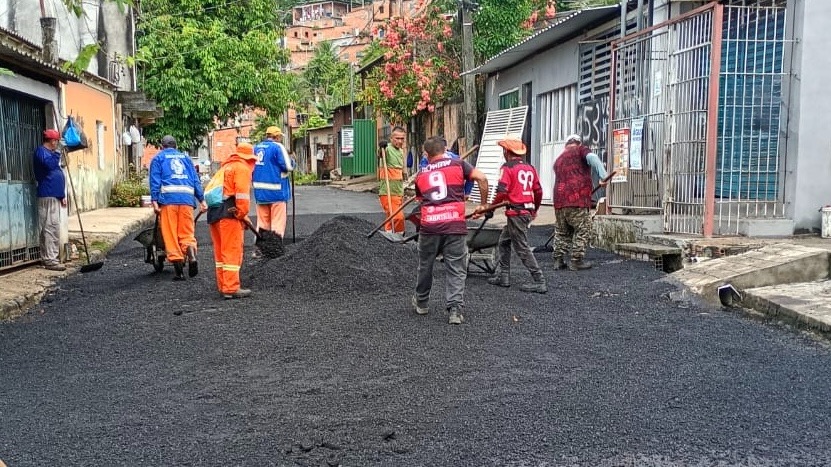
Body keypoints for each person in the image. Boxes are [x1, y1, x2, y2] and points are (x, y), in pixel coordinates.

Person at [412, 136, 490, 325]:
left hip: (429, 227)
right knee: (456, 267)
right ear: (445, 150)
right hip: (454, 224)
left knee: (425, 265)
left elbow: (420, 201)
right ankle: (455, 310)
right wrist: (484, 205)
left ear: (426, 155)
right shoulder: (458, 164)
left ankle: (421, 303)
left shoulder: (420, 175)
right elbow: (482, 178)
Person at [487, 138, 546, 293]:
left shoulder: (507, 167)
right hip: (524, 212)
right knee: (504, 241)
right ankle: (504, 276)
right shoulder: (530, 168)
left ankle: (539, 280)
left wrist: (490, 207)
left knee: (522, 247)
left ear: (506, 152)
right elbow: (538, 191)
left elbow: (502, 191)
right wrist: (535, 209)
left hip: (516, 213)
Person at [149, 135, 207, 281]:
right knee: (187, 233)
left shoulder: (158, 158)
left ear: (162, 146)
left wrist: (154, 201)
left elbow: (155, 181)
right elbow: (195, 180)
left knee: (171, 235)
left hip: (168, 200)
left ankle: (179, 272)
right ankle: (192, 256)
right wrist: (202, 200)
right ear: (176, 146)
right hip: (187, 200)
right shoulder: (186, 159)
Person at [207, 143, 258, 299]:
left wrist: (243, 217)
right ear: (249, 158)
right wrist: (242, 214)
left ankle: (223, 285)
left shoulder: (225, 168)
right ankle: (231, 288)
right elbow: (241, 196)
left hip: (215, 213)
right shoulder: (241, 168)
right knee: (232, 251)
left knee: (221, 251)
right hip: (229, 214)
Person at [552, 134, 608, 271]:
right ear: (579, 142)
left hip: (559, 200)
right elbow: (593, 158)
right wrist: (603, 176)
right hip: (577, 199)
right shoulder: (581, 150)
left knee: (562, 231)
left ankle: (558, 260)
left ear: (566, 145)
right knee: (583, 229)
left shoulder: (559, 159)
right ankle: (576, 260)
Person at [33, 129, 66, 271]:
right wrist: (58, 152)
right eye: (57, 141)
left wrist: (61, 195)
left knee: (51, 227)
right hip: (47, 194)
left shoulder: (50, 153)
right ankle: (50, 260)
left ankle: (49, 258)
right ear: (52, 141)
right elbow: (50, 166)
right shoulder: (41, 152)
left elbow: (55, 172)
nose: (57, 144)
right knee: (50, 227)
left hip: (54, 195)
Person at [253, 126, 294, 240]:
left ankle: (260, 247)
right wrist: (292, 161)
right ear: (276, 136)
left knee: (262, 223)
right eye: (280, 136)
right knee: (277, 222)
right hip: (277, 192)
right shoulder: (277, 147)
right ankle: (275, 247)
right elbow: (288, 166)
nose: (280, 139)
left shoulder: (256, 148)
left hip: (260, 192)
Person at [378, 126, 406, 234]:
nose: (400, 141)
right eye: (397, 138)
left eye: (402, 138)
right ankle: (393, 235)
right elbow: (381, 154)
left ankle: (395, 236)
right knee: (397, 217)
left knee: (393, 217)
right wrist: (381, 147)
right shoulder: (387, 149)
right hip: (388, 191)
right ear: (391, 138)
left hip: (398, 191)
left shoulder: (401, 151)